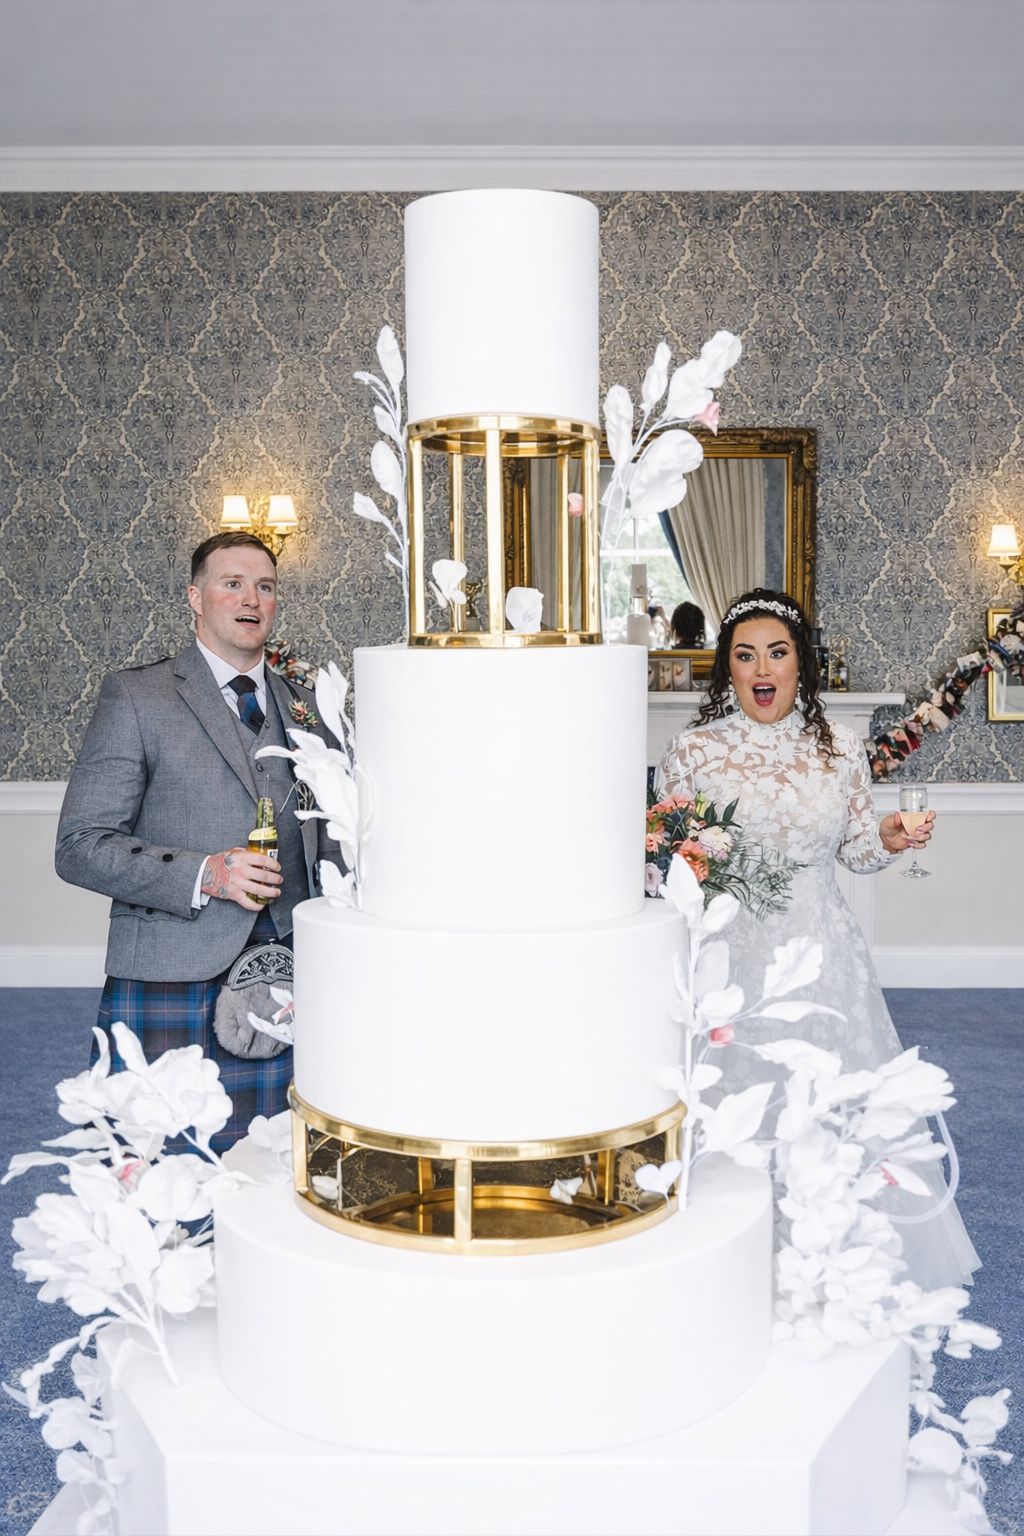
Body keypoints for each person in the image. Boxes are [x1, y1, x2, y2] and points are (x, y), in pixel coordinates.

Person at [658, 587, 979, 1288]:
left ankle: (835, 1263)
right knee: (735, 1108)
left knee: (827, 1104)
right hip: (726, 959)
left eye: (777, 653)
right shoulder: (692, 753)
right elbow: (671, 863)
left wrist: (890, 836)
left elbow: (858, 849)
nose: (762, 669)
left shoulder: (839, 754)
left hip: (822, 953)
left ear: (800, 664)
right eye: (745, 656)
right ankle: (725, 1269)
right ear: (728, 670)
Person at [56, 531, 340, 1150]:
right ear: (195, 596)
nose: (250, 599)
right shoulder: (137, 696)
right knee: (163, 1162)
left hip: (292, 968)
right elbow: (79, 845)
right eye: (231, 583)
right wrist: (207, 873)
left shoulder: (311, 709)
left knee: (282, 1163)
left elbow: (336, 839)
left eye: (265, 587)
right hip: (172, 967)